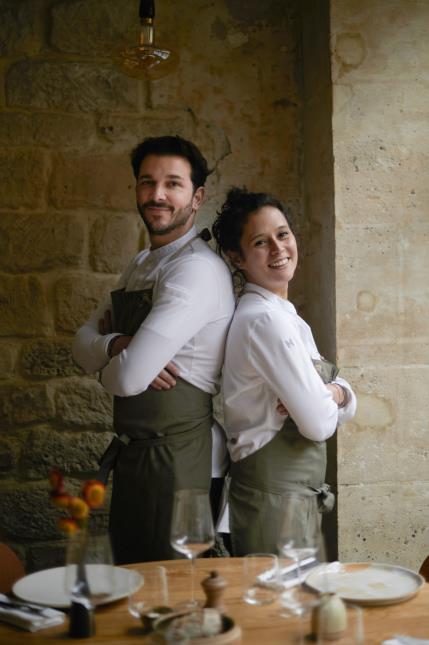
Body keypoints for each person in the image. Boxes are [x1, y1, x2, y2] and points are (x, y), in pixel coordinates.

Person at [72, 136, 235, 564]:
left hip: (180, 460)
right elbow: (80, 346)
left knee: (176, 592)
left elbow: (126, 380)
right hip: (138, 455)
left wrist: (113, 361)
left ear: (196, 197)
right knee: (136, 582)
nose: (157, 194)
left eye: (173, 184)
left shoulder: (196, 270)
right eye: (147, 182)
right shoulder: (142, 263)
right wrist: (119, 344)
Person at [212, 187, 357, 556]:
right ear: (236, 256)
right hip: (272, 509)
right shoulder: (264, 321)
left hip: (287, 504)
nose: (278, 249)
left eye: (283, 234)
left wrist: (336, 393)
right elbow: (319, 424)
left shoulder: (283, 316)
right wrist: (334, 393)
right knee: (276, 611)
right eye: (261, 242)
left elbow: (345, 400)